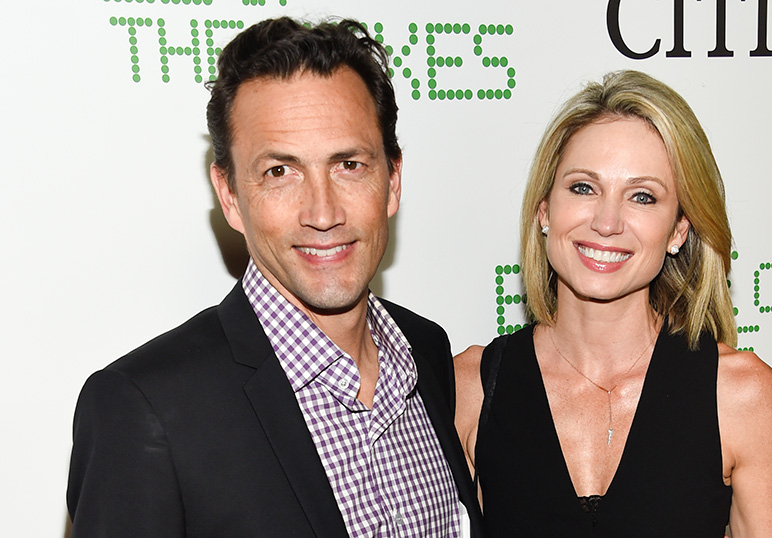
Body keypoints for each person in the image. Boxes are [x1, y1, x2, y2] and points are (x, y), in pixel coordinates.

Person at [67, 17, 483, 538]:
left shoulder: (426, 352)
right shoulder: (143, 409)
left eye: (349, 164)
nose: (323, 212)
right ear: (230, 196)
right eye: (279, 172)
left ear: (392, 180)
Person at [455, 70, 772, 537]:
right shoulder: (470, 389)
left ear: (678, 231)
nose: (607, 222)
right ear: (544, 210)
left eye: (642, 196)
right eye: (583, 187)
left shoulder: (741, 398)